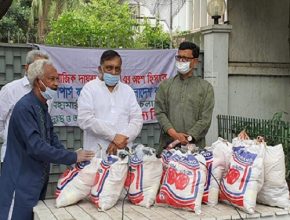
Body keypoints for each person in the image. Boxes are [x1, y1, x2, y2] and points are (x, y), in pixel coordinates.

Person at [0, 59, 95, 220]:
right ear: (38, 82)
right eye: (52, 79)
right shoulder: (25, 107)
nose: (56, 84)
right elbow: (36, 147)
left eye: (57, 79)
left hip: (37, 181)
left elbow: (52, 140)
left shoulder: (42, 106)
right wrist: (72, 157)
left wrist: (72, 157)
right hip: (20, 184)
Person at [78, 50, 143, 157]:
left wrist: (122, 138)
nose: (113, 72)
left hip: (123, 152)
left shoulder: (127, 90)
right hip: (96, 155)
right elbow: (85, 120)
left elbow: (137, 119)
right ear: (100, 69)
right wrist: (113, 136)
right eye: (109, 68)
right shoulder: (89, 89)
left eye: (117, 68)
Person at [155, 41, 215, 154]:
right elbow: (160, 112)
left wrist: (188, 138)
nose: (181, 61)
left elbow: (205, 119)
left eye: (186, 58)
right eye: (179, 57)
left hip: (194, 151)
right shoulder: (165, 85)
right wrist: (175, 134)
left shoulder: (206, 88)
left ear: (195, 62)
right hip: (168, 148)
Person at [0, 50, 50, 166]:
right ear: (27, 67)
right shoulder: (10, 90)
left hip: (39, 159)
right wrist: (14, 138)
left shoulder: (47, 92)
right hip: (14, 159)